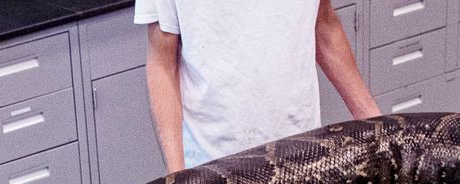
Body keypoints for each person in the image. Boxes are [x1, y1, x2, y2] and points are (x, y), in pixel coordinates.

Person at [138, 0, 380, 172]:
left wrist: (379, 124)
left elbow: (324, 25)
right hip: (213, 170)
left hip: (303, 155)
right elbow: (162, 64)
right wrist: (177, 178)